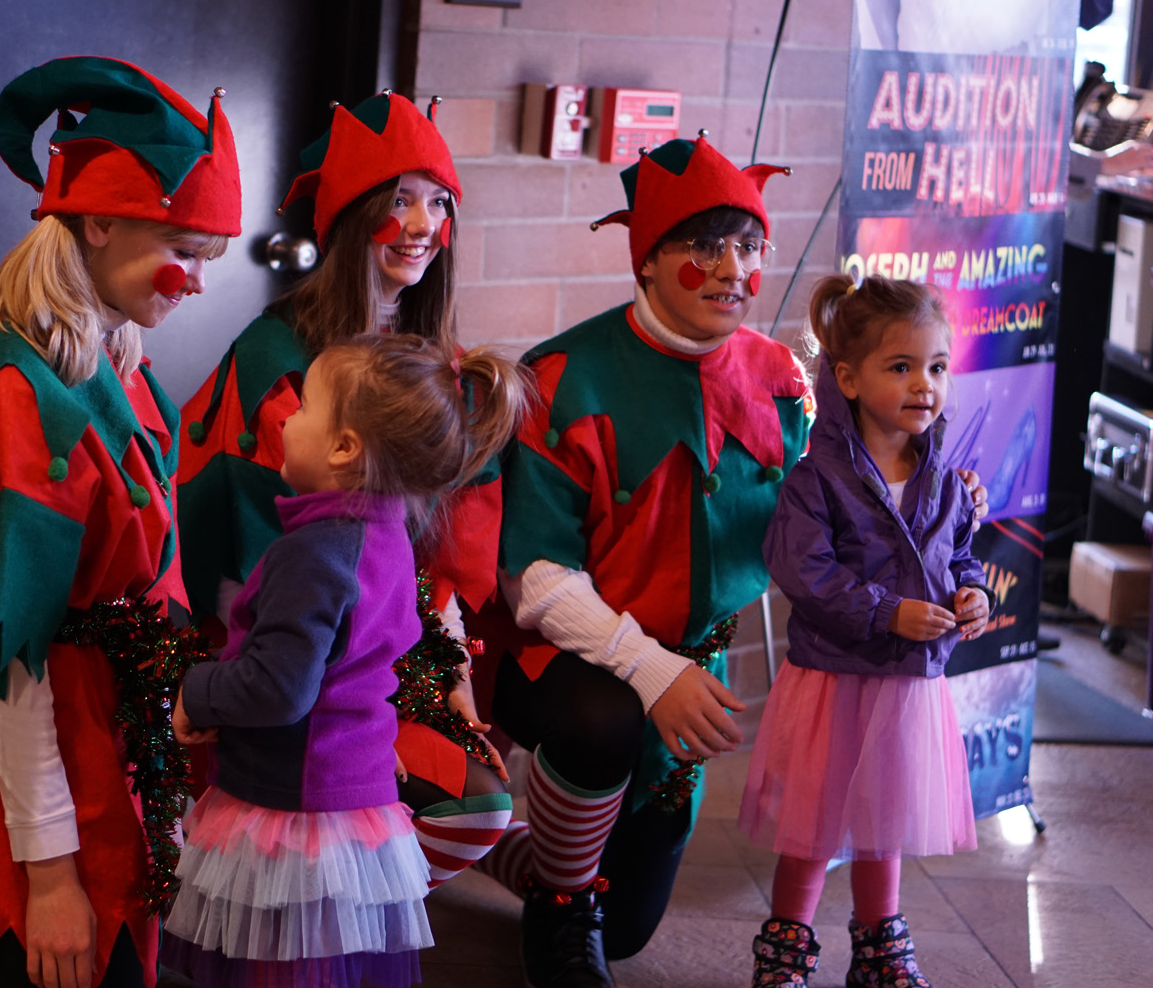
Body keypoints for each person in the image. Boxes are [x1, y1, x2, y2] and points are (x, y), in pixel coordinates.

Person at [0, 56, 240, 988]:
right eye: (183, 249)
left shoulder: (114, 357)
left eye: (209, 257)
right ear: (100, 222)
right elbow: (13, 661)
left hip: (106, 731)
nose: (197, 283)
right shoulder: (13, 393)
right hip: (37, 756)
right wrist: (46, 874)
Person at [482, 135, 806, 988]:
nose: (733, 269)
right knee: (604, 722)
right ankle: (561, 908)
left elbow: (817, 524)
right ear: (649, 259)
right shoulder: (561, 376)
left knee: (625, 930)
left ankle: (482, 846)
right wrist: (652, 672)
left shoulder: (780, 380)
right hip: (555, 655)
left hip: (690, 668)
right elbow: (533, 578)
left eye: (749, 245)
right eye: (705, 245)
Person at [175, 90, 512, 890]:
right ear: (351, 218)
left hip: (390, 646)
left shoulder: (436, 363)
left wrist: (453, 670)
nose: (423, 224)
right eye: (400, 201)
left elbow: (444, 553)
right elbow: (267, 587)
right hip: (294, 671)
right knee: (457, 803)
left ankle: (495, 871)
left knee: (479, 798)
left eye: (439, 202)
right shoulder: (276, 364)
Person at [160, 333, 532, 988]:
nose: (287, 419)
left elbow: (279, 688)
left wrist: (198, 691)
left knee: (278, 970)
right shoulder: (388, 537)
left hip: (291, 808)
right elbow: (358, 667)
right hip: (354, 799)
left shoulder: (312, 554)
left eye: (304, 407)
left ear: (343, 448)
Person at [740, 274, 992, 988]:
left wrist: (971, 593)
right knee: (814, 823)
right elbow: (806, 573)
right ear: (848, 379)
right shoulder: (816, 480)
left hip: (908, 683)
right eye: (901, 366)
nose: (924, 385)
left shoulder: (945, 480)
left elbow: (958, 554)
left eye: (936, 367)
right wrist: (887, 612)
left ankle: (881, 945)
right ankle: (785, 950)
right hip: (834, 680)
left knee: (888, 816)